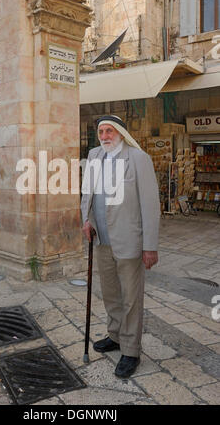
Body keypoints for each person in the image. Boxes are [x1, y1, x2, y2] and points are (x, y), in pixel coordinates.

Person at [81, 115, 160, 379]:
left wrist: (149, 246)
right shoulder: (94, 156)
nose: (104, 136)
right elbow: (87, 193)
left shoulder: (138, 159)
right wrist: (87, 220)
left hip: (129, 241)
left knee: (130, 298)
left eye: (109, 131)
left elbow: (150, 205)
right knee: (111, 293)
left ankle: (131, 350)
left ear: (121, 134)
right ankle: (115, 336)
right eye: (101, 131)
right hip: (102, 239)